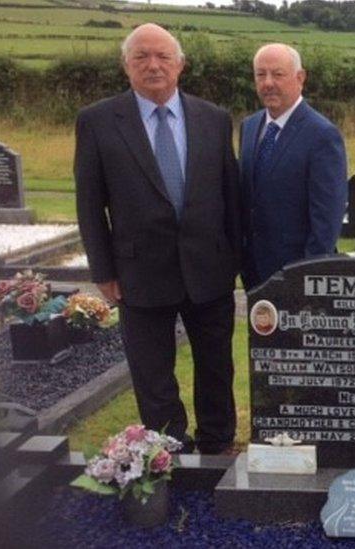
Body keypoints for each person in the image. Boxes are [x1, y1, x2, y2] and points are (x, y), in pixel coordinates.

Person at [74, 24, 240, 454]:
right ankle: (168, 450)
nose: (153, 65)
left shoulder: (215, 119)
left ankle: (218, 444)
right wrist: (103, 270)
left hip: (208, 269)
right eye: (141, 57)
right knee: (152, 372)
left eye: (163, 56)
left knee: (216, 366)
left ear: (180, 64)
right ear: (126, 66)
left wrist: (236, 259)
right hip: (138, 272)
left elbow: (231, 195)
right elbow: (90, 204)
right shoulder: (97, 121)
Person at [239, 43, 348, 290]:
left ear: (300, 78)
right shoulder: (249, 126)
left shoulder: (322, 135)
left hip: (299, 275)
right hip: (254, 273)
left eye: (278, 74)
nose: (268, 83)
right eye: (260, 74)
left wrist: (307, 277)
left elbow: (327, 219)